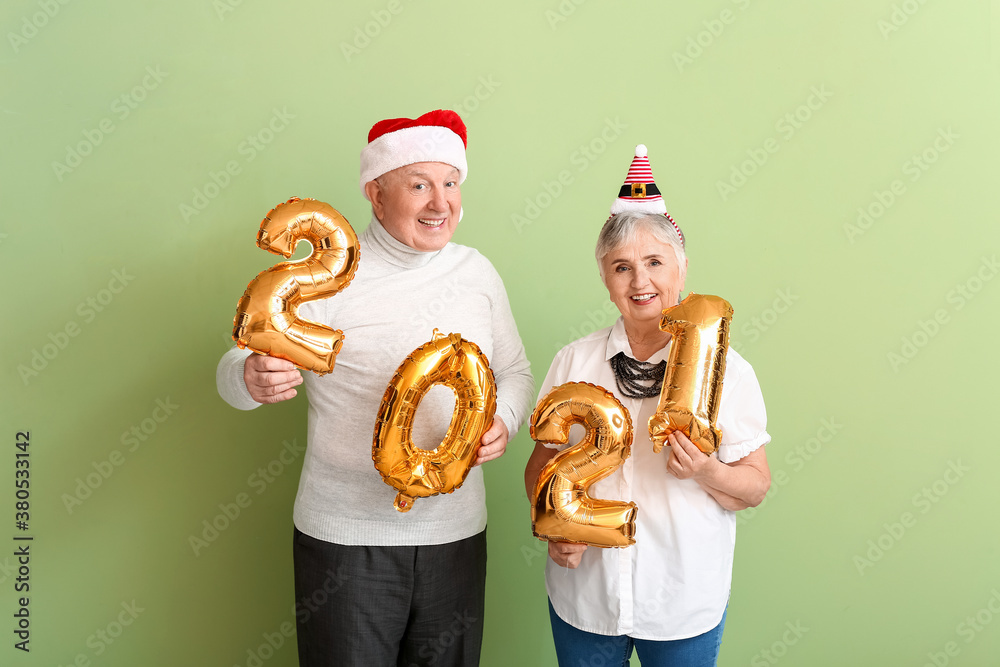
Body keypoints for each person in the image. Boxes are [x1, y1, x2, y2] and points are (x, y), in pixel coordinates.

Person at [217, 109, 534, 666]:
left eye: (451, 183)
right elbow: (234, 369)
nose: (441, 203)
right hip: (346, 545)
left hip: (455, 539)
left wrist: (503, 420)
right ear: (375, 193)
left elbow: (514, 371)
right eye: (419, 185)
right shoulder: (330, 277)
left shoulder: (476, 273)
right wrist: (248, 377)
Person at [523, 145, 771, 667]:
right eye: (622, 267)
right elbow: (541, 465)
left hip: (682, 601)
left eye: (655, 263)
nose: (640, 282)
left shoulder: (728, 372)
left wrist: (706, 470)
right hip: (585, 600)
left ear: (681, 271)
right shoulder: (574, 361)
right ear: (605, 279)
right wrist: (552, 524)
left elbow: (755, 486)